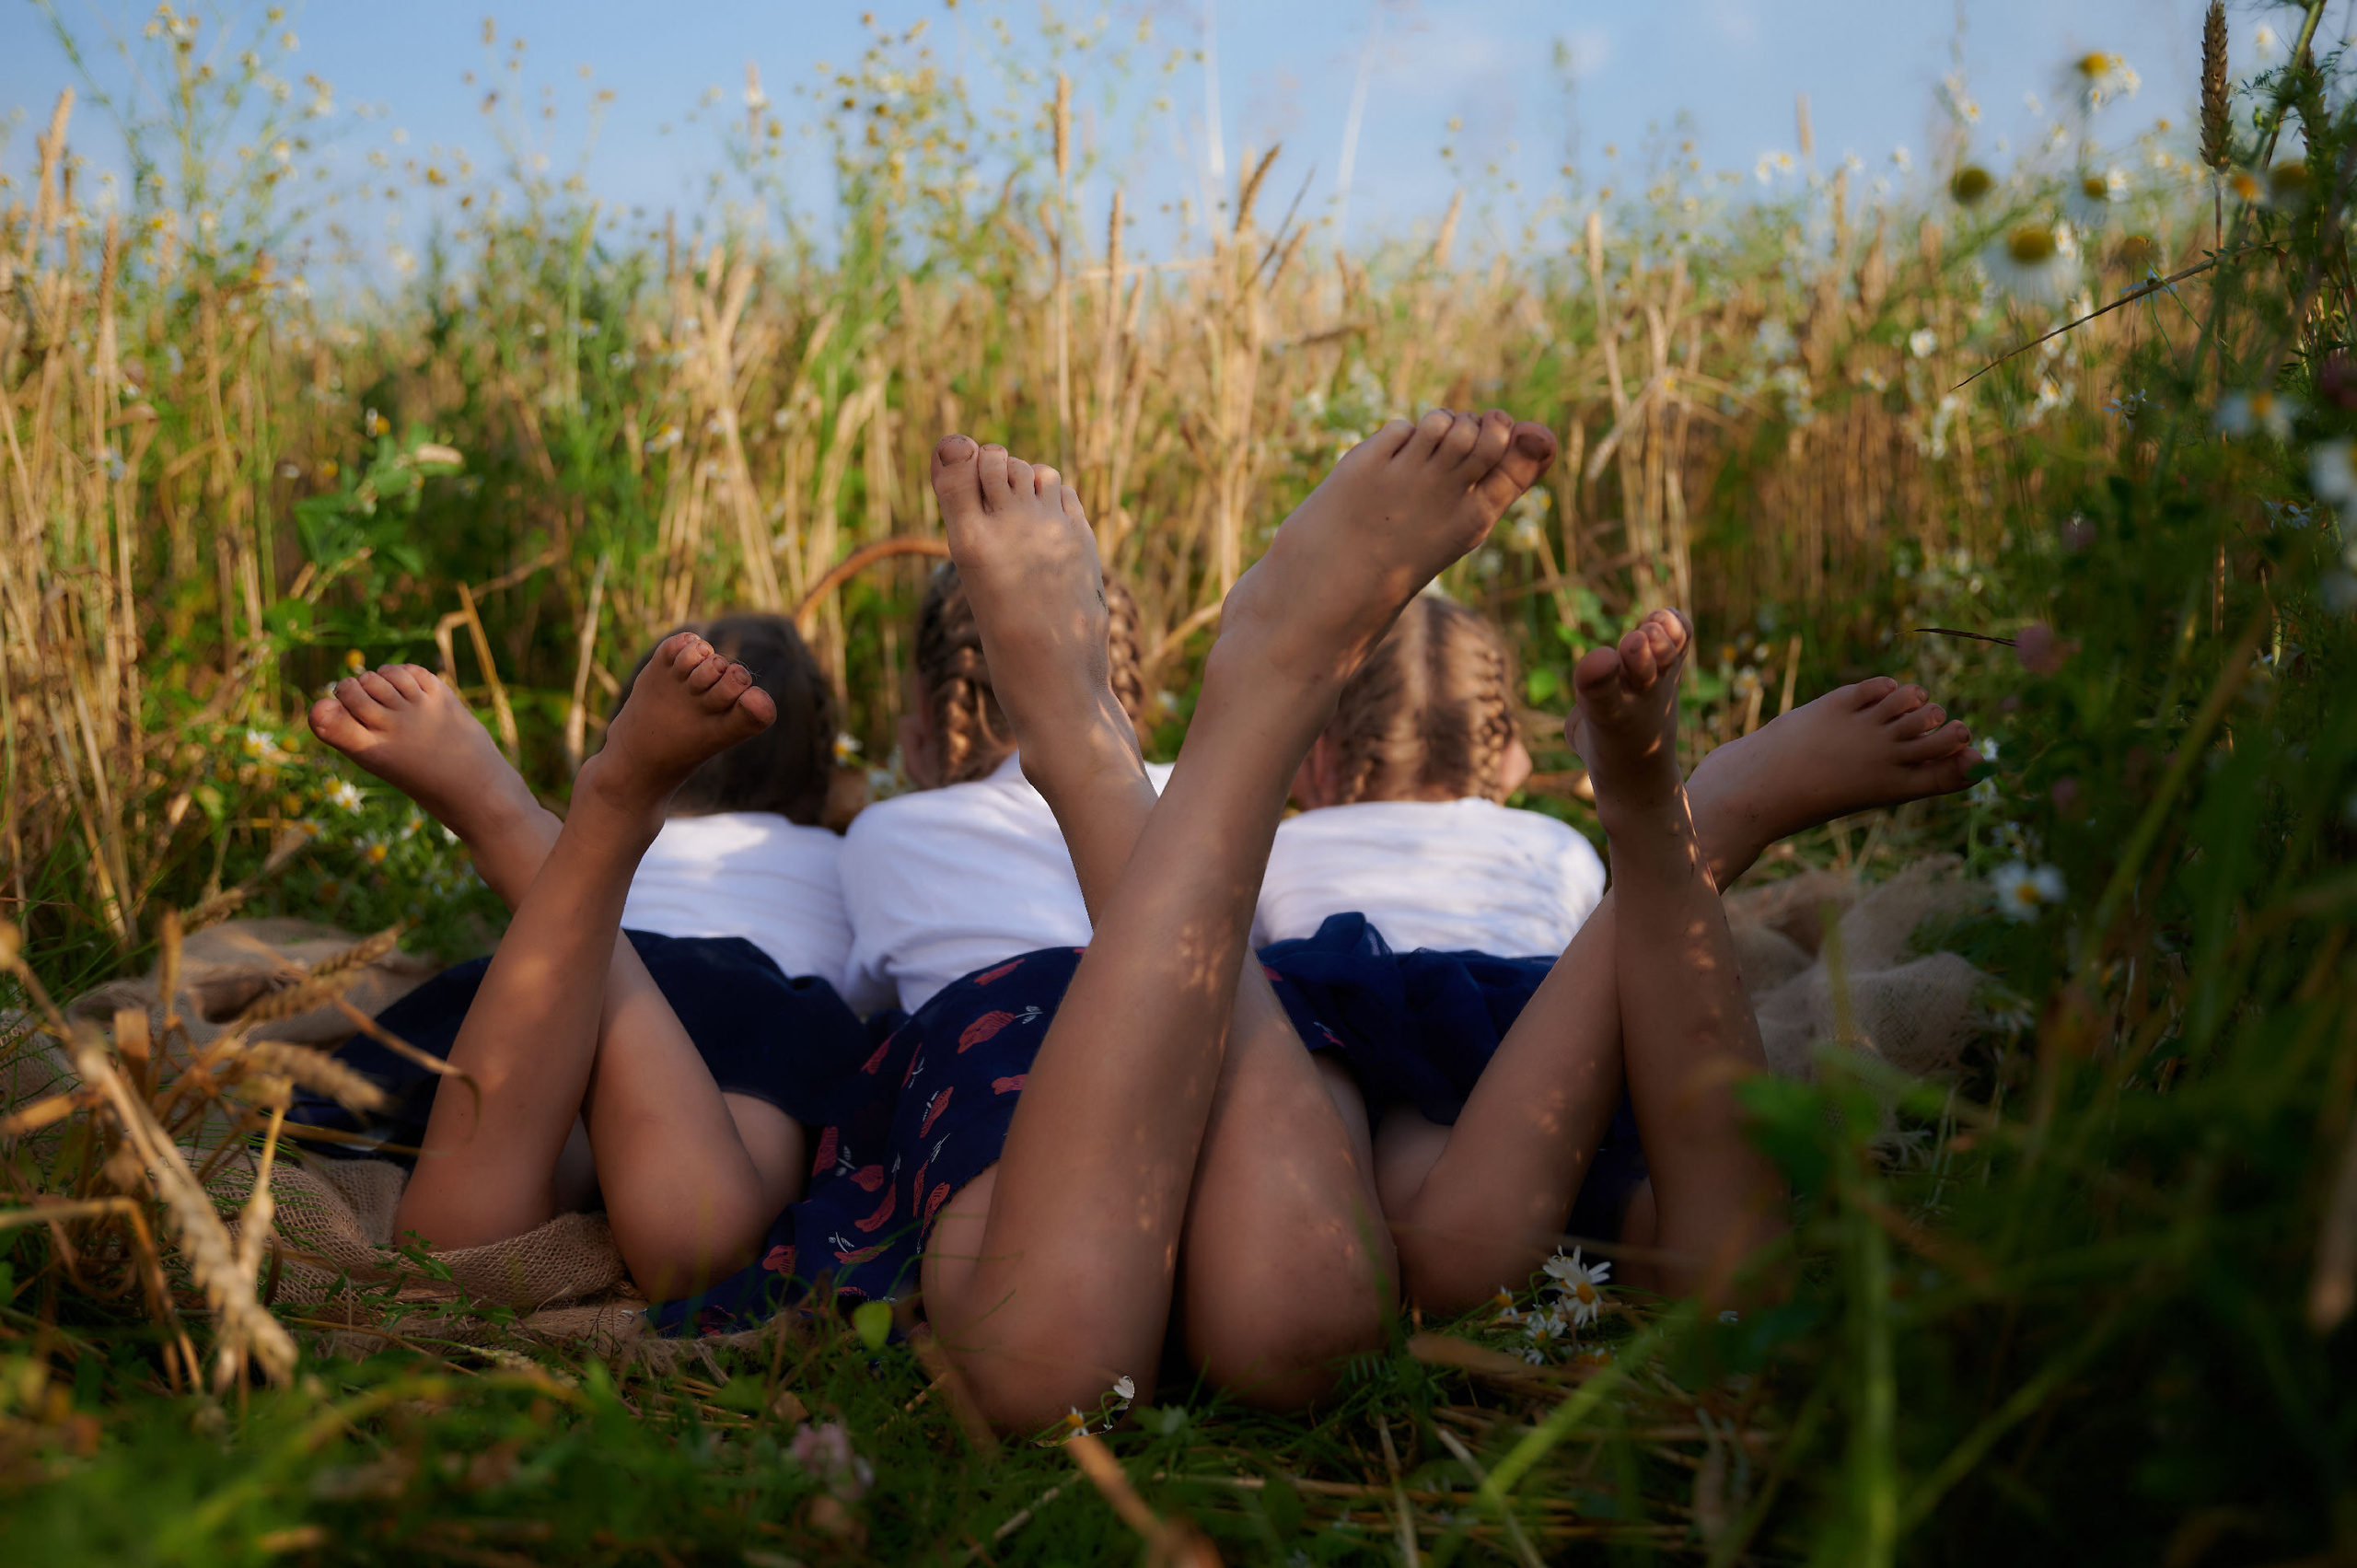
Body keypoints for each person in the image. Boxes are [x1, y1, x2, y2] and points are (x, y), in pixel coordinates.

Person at [1253, 589, 1979, 1318]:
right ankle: (1674, 828)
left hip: (1373, 1015)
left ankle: (1699, 818)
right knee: (1729, 1279)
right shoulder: (1554, 844)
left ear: (1317, 759)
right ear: (1506, 761)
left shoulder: (1278, 844)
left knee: (1447, 1254)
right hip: (1550, 1026)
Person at [297, 619, 869, 1298]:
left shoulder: (572, 891)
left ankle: (528, 827)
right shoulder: (845, 852)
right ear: (817, 775)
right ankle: (577, 817)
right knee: (702, 1242)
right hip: (751, 1002)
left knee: (460, 1240)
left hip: (559, 968)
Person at [834, 567, 1167, 1016]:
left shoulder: (888, 833)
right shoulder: (1195, 795)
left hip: (997, 1075)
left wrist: (935, 788)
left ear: (932, 697)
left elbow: (863, 998)